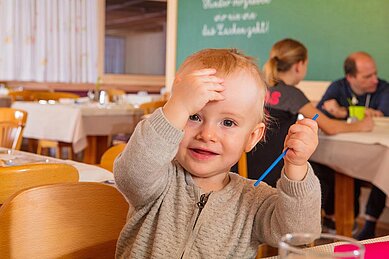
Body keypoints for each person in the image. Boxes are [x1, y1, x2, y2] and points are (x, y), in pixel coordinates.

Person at [114, 48, 322, 258]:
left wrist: (297, 167)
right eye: (194, 116)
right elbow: (131, 174)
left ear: (252, 137)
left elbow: (299, 234)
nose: (207, 135)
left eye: (228, 122)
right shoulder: (157, 180)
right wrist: (177, 106)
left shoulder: (253, 200)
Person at [244, 39, 373, 187]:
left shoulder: (258, 87)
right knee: (326, 174)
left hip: (245, 168)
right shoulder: (293, 94)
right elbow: (330, 127)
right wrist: (362, 125)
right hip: (273, 173)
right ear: (299, 65)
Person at [315, 51, 389, 240]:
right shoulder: (337, 86)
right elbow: (321, 113)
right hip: (343, 152)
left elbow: (380, 116)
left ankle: (369, 222)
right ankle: (335, 219)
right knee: (329, 166)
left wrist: (342, 112)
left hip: (374, 151)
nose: (375, 80)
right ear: (350, 77)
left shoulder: (384, 88)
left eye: (375, 73)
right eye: (367, 76)